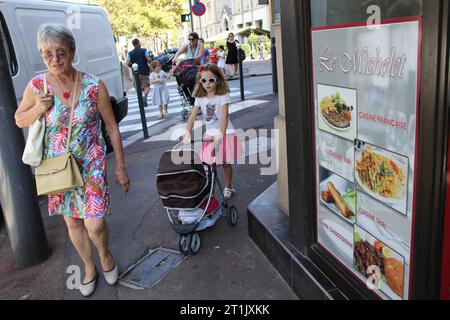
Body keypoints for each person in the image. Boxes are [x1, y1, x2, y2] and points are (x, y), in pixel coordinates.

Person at [14, 23, 130, 298]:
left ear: (72, 52)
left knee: (95, 223)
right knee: (74, 223)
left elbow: (111, 127)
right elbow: (19, 118)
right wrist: (39, 109)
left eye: (60, 52)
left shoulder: (93, 85)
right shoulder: (37, 86)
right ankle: (89, 266)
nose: (54, 59)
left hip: (90, 164)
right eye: (47, 54)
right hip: (58, 169)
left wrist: (121, 167)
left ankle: (104, 254)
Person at [183, 64, 243, 200]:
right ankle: (208, 188)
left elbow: (224, 116)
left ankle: (228, 186)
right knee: (207, 163)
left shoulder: (223, 95)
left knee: (225, 163)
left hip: (225, 132)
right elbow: (192, 116)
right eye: (203, 80)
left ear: (218, 80)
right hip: (210, 134)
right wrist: (187, 132)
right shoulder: (200, 98)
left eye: (211, 80)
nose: (207, 83)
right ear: (200, 81)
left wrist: (220, 136)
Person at [126, 38, 152, 106]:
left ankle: (141, 101)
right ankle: (145, 97)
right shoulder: (144, 51)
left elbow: (127, 63)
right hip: (144, 72)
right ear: (138, 43)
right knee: (146, 86)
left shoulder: (130, 53)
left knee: (138, 87)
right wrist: (150, 62)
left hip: (135, 73)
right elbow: (148, 59)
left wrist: (132, 65)